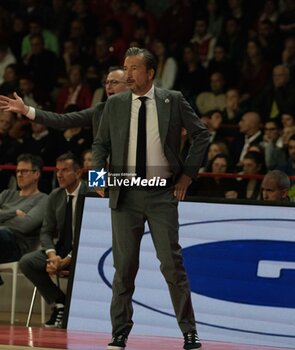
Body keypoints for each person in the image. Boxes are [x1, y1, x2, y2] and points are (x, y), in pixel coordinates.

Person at [92, 47, 209, 350]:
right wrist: (97, 178)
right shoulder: (115, 104)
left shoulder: (172, 99)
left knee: (172, 264)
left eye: (134, 68)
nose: (127, 74)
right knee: (124, 267)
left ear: (151, 73)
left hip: (161, 193)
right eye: (125, 68)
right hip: (125, 193)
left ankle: (189, 332)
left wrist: (187, 176)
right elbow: (100, 145)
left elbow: (202, 135)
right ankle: (119, 333)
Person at [19, 152, 88, 328]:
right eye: (58, 170)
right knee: (28, 262)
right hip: (60, 252)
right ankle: (60, 303)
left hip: (85, 254)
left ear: (78, 173)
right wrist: (52, 256)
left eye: (65, 170)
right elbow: (46, 232)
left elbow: (90, 235)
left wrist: (67, 260)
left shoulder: (92, 193)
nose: (59, 174)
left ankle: (77, 312)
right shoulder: (55, 195)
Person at [0, 67, 128, 139]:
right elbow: (62, 120)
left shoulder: (142, 109)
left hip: (134, 173)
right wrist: (26, 110)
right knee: (96, 186)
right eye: (106, 82)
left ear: (128, 86)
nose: (108, 87)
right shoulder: (99, 111)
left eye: (114, 82)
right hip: (103, 168)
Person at [0, 153, 48, 285]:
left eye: (24, 171)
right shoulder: (6, 194)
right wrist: (14, 212)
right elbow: (21, 221)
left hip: (16, 245)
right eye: (18, 171)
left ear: (36, 174)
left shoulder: (43, 199)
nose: (19, 175)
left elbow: (26, 225)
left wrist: (2, 214)